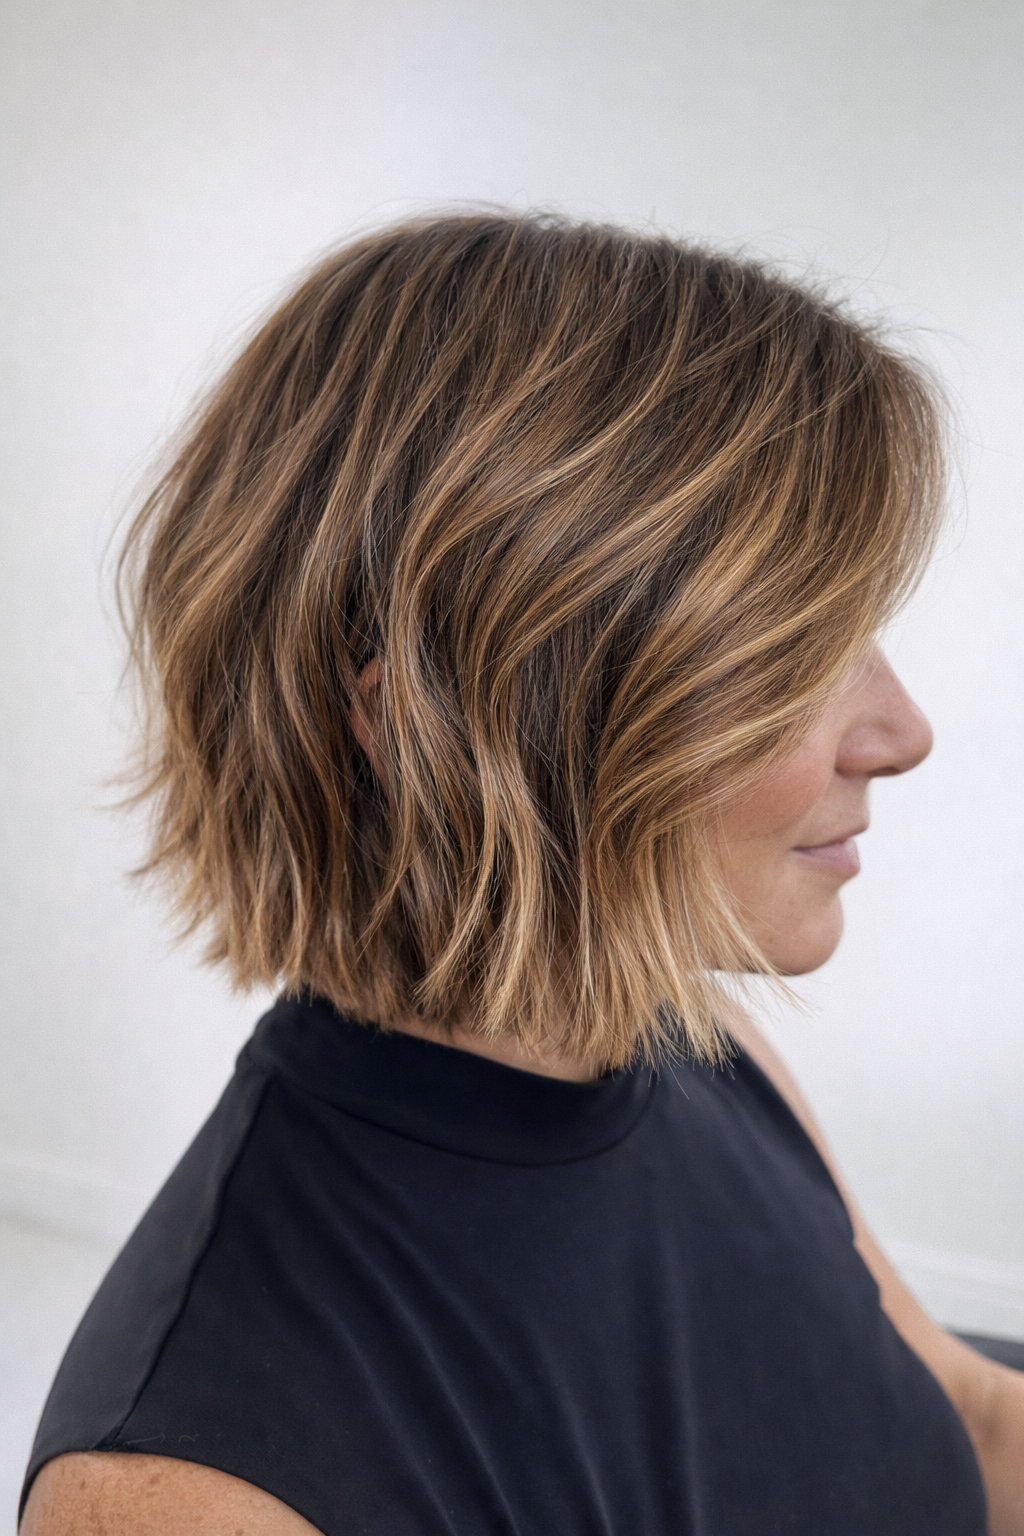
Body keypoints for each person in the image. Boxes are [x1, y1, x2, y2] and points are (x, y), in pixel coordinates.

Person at [19, 214, 1024, 1536]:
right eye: (787, 658)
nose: (904, 732)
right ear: (427, 730)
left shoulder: (702, 1046)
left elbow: (970, 1418)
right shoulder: (189, 1495)